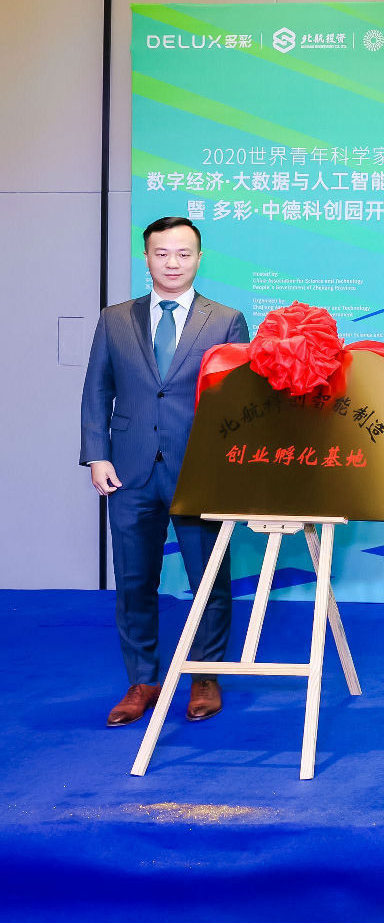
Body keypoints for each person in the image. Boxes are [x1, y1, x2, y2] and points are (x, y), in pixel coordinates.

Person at [80, 216, 250, 727]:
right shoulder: (114, 319)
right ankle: (142, 681)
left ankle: (205, 675)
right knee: (134, 582)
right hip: (128, 471)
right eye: (162, 253)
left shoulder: (226, 320)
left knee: (209, 580)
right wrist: (97, 454)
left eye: (183, 253)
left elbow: (240, 403)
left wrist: (228, 468)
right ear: (146, 257)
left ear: (199, 258)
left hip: (199, 471)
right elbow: (97, 390)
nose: (172, 263)